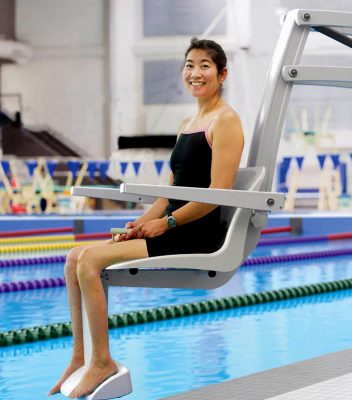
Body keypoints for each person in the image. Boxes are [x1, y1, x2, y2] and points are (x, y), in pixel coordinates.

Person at [49, 38, 244, 398]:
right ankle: (80, 357)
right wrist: (139, 223)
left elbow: (218, 195)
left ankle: (103, 361)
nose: (195, 73)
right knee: (73, 256)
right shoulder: (190, 122)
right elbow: (169, 193)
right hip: (174, 225)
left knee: (90, 261)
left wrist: (167, 223)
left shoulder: (226, 120)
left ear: (222, 74)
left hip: (197, 232)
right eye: (189, 65)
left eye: (204, 65)